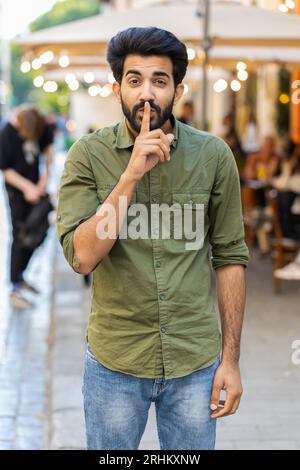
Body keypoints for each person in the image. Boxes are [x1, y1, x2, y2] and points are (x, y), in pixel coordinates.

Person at [57, 27, 249, 450]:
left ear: (177, 90)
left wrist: (231, 361)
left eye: (160, 81)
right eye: (135, 80)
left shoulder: (213, 156)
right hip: (116, 361)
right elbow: (82, 258)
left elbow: (231, 257)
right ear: (117, 89)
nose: (147, 93)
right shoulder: (88, 156)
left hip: (195, 362)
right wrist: (130, 176)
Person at [0, 106, 54, 309]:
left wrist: (44, 178)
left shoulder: (41, 124)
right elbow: (6, 171)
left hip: (36, 188)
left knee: (39, 232)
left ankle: (22, 275)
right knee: (19, 235)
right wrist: (28, 188)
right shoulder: (7, 133)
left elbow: (49, 149)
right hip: (17, 190)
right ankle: (15, 285)